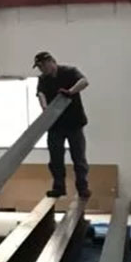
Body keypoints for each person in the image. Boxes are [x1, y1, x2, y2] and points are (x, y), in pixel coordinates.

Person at [33, 51, 90, 199]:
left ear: (51, 61)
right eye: (39, 67)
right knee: (55, 158)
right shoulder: (43, 79)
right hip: (55, 125)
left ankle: (82, 188)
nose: (41, 69)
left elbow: (84, 82)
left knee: (78, 157)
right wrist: (44, 107)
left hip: (74, 123)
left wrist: (71, 92)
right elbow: (40, 94)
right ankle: (59, 187)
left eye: (42, 66)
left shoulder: (70, 72)